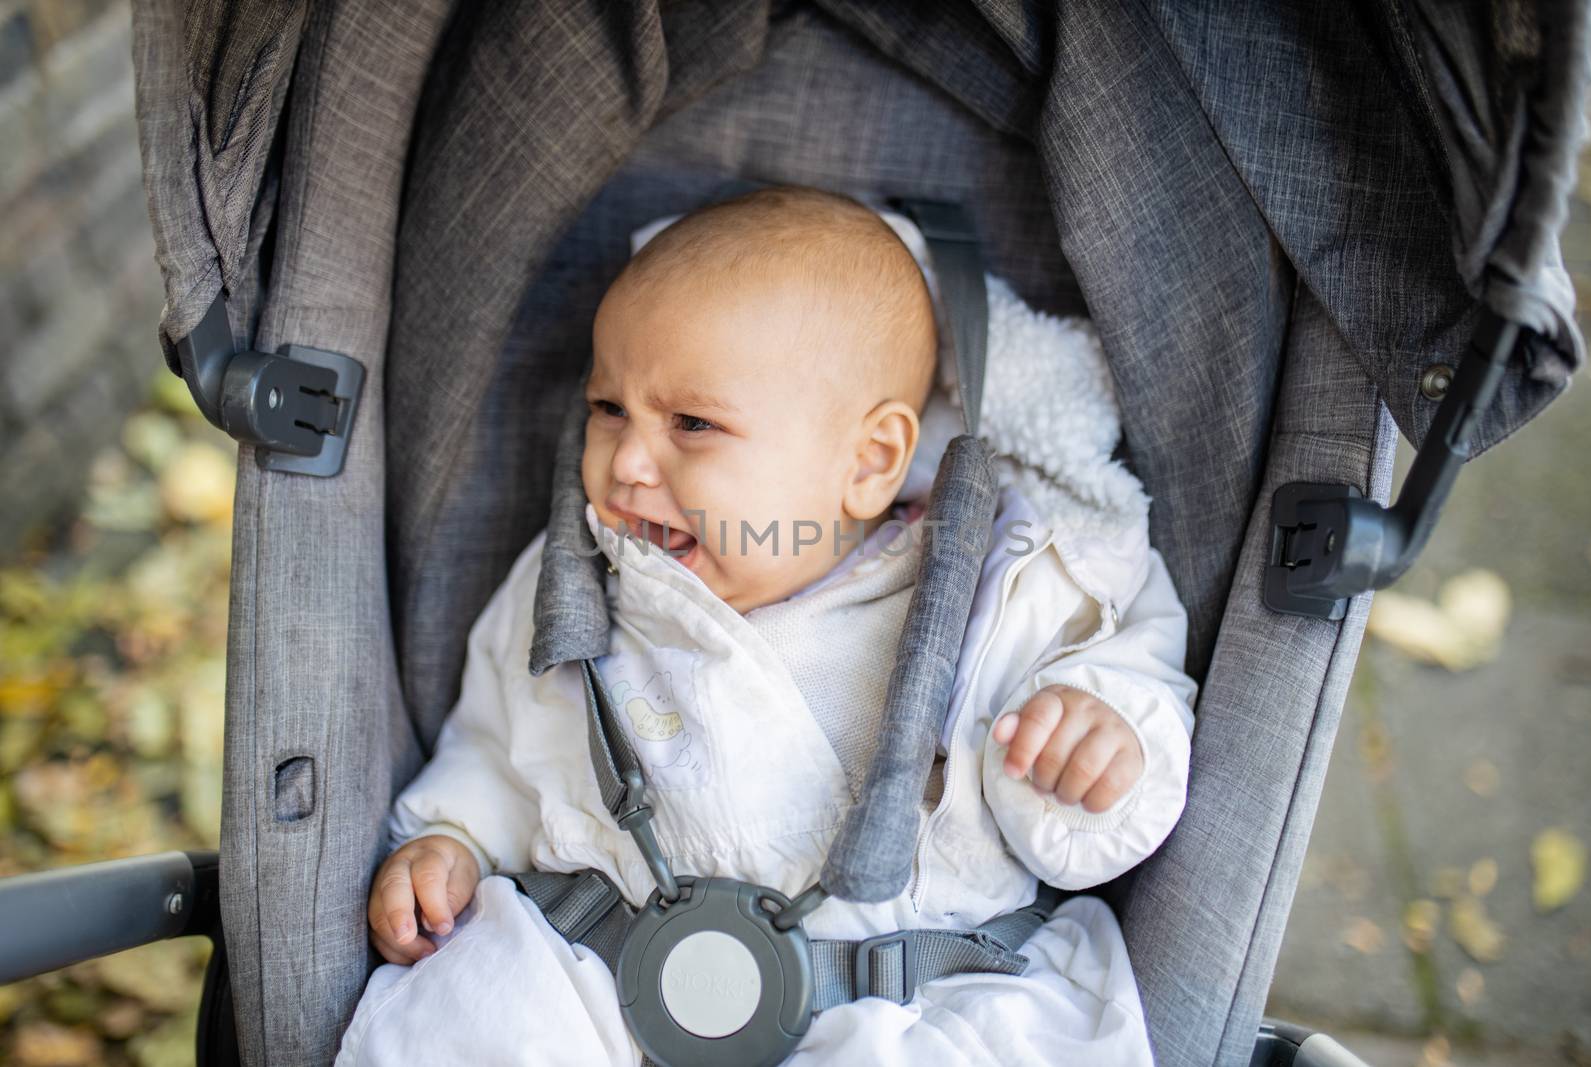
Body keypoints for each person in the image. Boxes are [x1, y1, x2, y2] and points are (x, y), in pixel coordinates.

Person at [335, 186, 1196, 1066]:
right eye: (607, 408)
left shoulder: (1007, 582)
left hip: (903, 995)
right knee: (483, 1007)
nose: (627, 462)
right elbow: (498, 740)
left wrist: (1099, 740)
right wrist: (454, 839)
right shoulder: (580, 583)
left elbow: (1132, 693)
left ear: (868, 462)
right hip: (606, 965)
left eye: (693, 423)